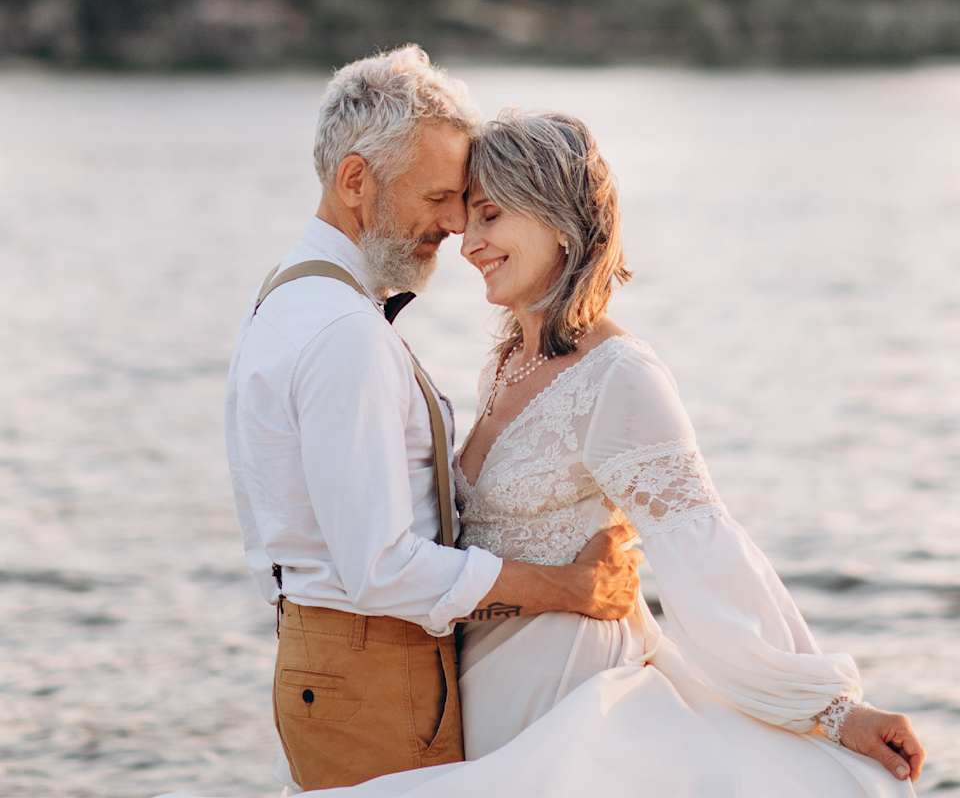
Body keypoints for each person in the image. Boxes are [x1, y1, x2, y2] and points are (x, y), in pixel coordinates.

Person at [286, 111, 927, 797]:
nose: (467, 242)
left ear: (557, 218)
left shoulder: (621, 374)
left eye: (491, 216)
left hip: (566, 687)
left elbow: (703, 551)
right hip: (479, 682)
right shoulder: (507, 361)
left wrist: (831, 709)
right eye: (467, 218)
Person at [221, 49, 641, 792]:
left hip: (334, 656)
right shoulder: (343, 332)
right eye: (438, 197)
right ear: (356, 181)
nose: (453, 224)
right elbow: (382, 568)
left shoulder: (286, 297)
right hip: (373, 664)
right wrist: (569, 589)